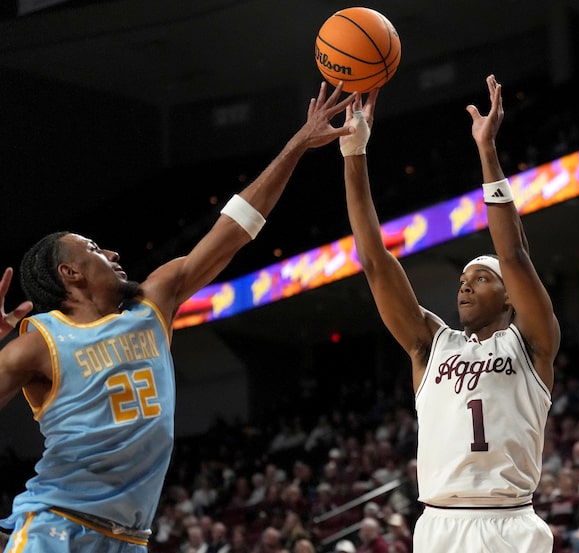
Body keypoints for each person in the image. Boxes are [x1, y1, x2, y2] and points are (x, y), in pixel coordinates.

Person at [0, 81, 356, 552]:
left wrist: (298, 144)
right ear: (70, 273)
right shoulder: (39, 341)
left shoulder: (154, 300)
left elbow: (235, 230)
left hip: (130, 538)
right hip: (56, 528)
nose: (110, 251)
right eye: (92, 249)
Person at [339, 74, 559, 553]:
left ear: (508, 298)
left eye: (480, 278)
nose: (465, 285)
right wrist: (353, 153)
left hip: (510, 523)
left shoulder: (531, 344)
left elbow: (516, 255)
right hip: (440, 525)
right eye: (461, 280)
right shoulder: (431, 343)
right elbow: (376, 263)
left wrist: (487, 151)